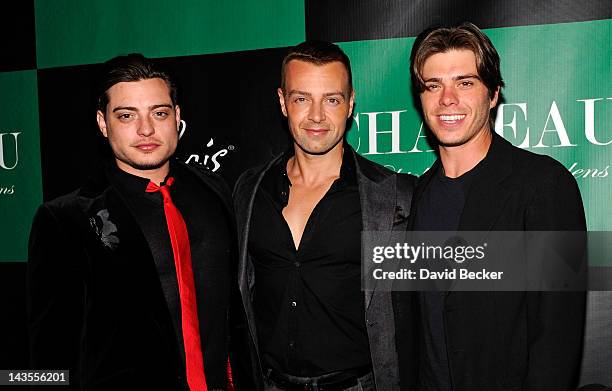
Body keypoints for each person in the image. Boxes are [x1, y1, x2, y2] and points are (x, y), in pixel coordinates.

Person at [393, 23, 587, 390]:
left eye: (465, 83)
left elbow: (557, 340)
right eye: (433, 85)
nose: (447, 99)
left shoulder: (545, 184)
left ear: (493, 93)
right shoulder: (414, 197)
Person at [27, 53, 236, 390]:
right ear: (102, 122)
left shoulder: (213, 192)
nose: (146, 129)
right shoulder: (64, 221)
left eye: (159, 112)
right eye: (127, 115)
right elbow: (48, 359)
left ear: (177, 117)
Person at [233, 41, 415, 391]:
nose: (317, 116)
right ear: (283, 102)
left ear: (349, 105)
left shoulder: (395, 196)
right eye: (302, 98)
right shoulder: (249, 190)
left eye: (331, 99)